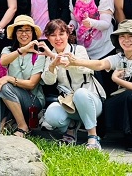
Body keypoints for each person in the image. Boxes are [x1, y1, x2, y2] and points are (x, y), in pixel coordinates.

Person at [83, 20, 132, 151]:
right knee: (105, 103)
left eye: (131, 36)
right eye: (122, 36)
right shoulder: (119, 58)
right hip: (126, 103)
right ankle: (99, 136)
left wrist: (117, 79)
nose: (126, 40)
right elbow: (99, 64)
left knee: (130, 95)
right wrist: (74, 61)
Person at [40, 20, 106, 149]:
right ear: (48, 37)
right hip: (69, 104)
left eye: (62, 34)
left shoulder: (78, 49)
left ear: (68, 34)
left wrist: (68, 62)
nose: (58, 38)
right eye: (53, 35)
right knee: (51, 115)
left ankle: (93, 136)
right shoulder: (48, 56)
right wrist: (53, 65)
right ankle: (72, 126)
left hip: (91, 102)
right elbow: (48, 81)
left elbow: (87, 69)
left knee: (80, 94)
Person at [0, 15, 45, 136]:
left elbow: (32, 84)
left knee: (4, 87)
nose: (24, 34)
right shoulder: (8, 50)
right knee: (3, 89)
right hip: (11, 97)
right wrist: (21, 50)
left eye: (27, 30)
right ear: (15, 33)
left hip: (32, 100)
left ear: (33, 33)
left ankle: (22, 126)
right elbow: (3, 61)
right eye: (20, 30)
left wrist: (9, 78)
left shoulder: (39, 54)